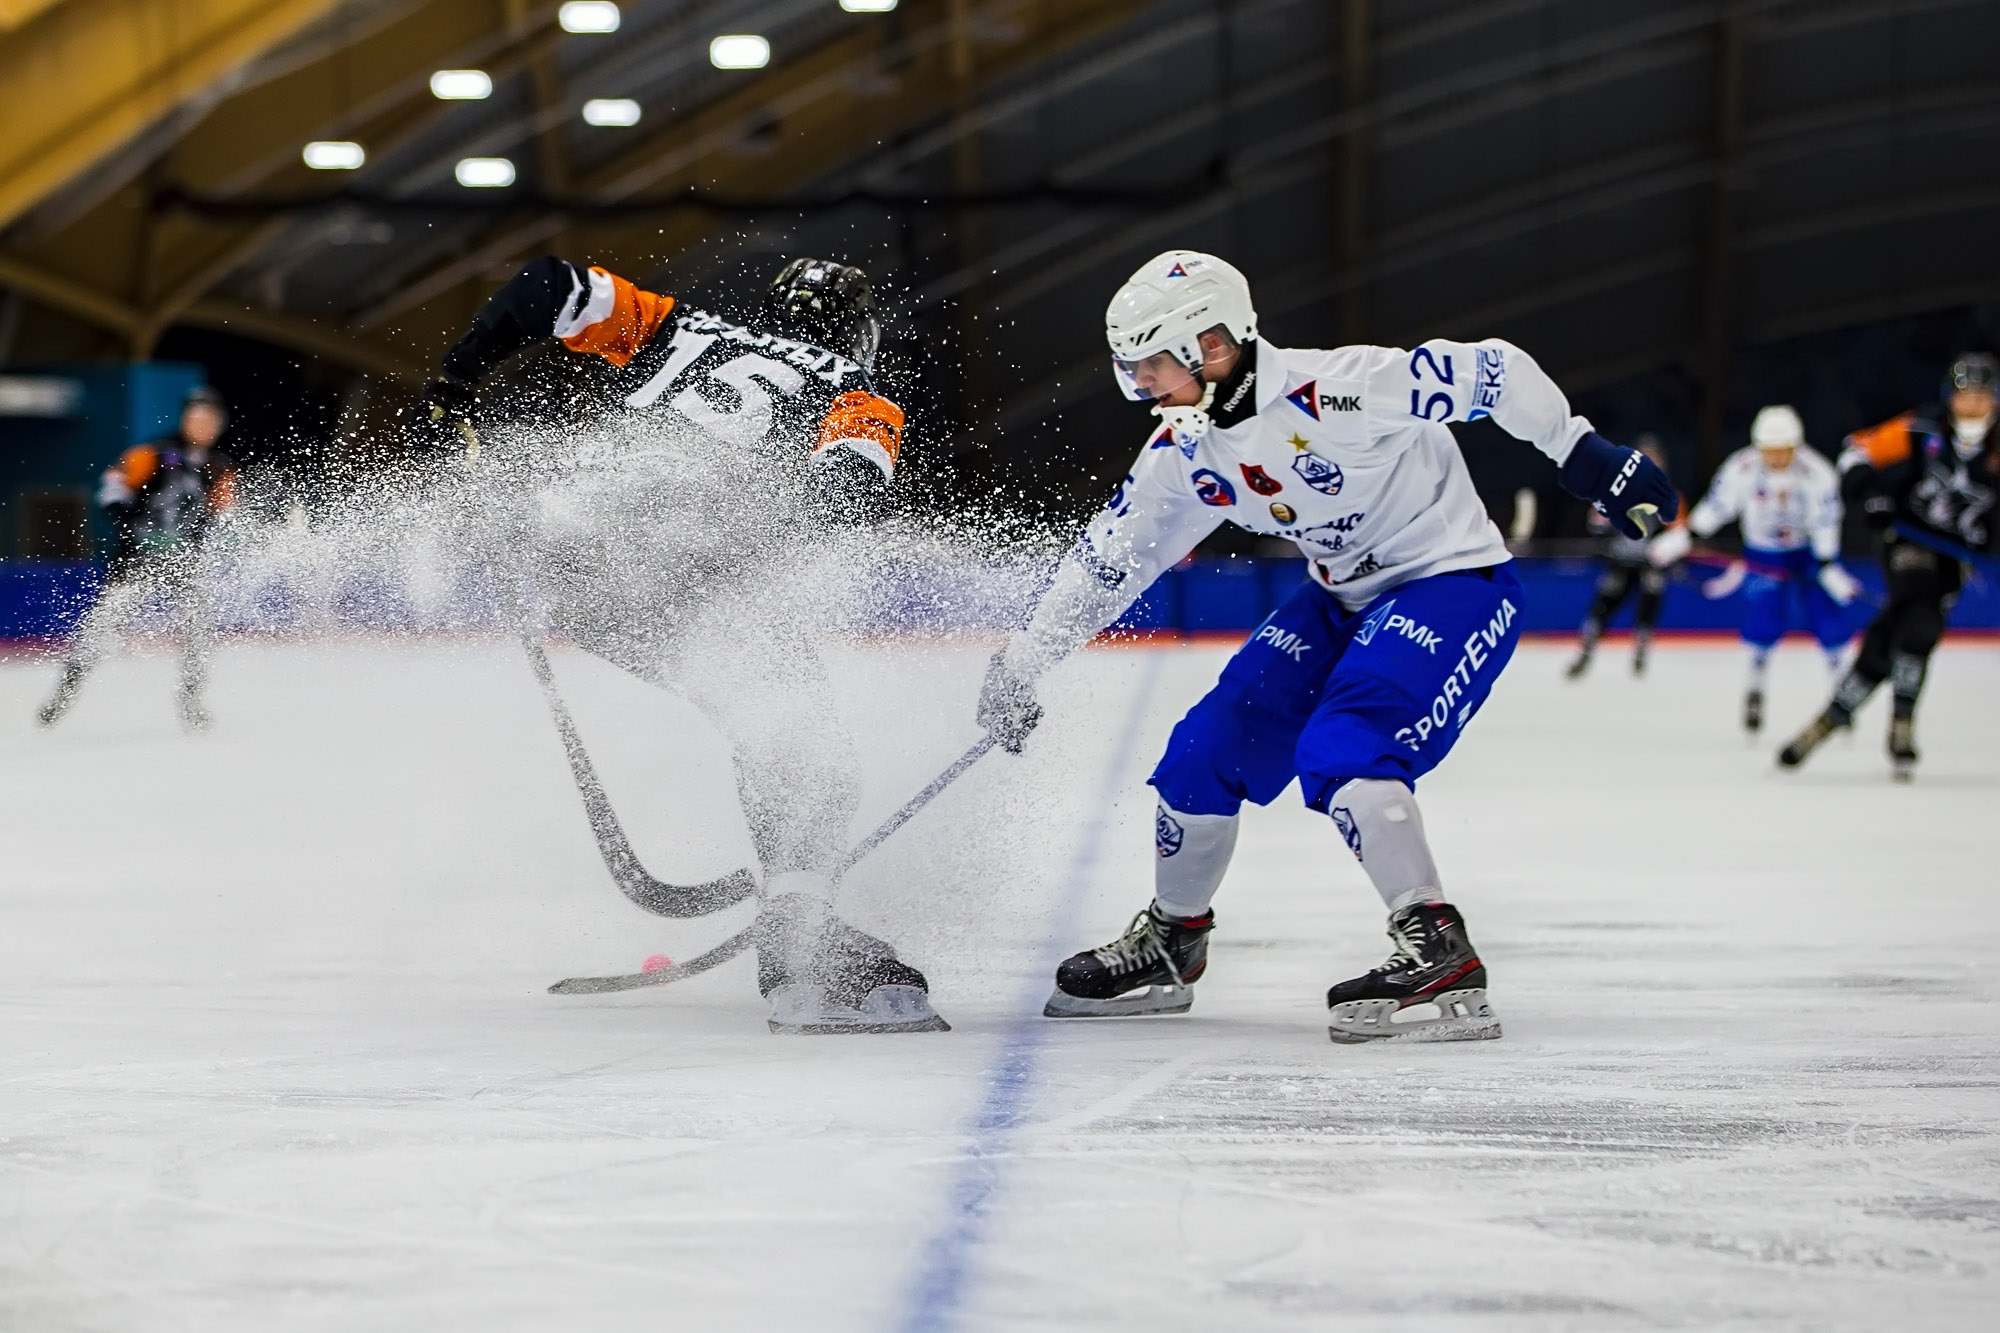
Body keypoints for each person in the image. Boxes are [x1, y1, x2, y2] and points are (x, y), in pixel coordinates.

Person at [973, 250, 1678, 1043]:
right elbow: (1109, 560)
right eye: (1130, 371)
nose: (1143, 390)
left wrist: (1590, 459)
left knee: (1347, 744)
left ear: (1214, 342)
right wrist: (1021, 663)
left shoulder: (1339, 388)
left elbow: (1495, 373)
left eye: (1154, 368)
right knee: (1203, 752)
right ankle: (1175, 939)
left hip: (1453, 582)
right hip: (1341, 597)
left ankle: (1437, 943)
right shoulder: (1185, 452)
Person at [415, 254, 945, 1034]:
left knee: (771, 726)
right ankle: (797, 940)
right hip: (685, 573)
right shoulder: (862, 395)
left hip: (581, 566)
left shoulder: (682, 326)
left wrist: (454, 384)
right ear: (858, 333)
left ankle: (793, 912)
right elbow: (845, 491)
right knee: (808, 749)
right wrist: (755, 533)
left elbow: (544, 283)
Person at [1778, 352, 1999, 780]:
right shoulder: (1923, 427)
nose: (1971, 405)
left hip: (1957, 555)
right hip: (1908, 539)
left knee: (1909, 625)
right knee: (1918, 617)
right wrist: (1871, 492)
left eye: (1980, 396)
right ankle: (1901, 723)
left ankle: (1839, 710)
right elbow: (1857, 450)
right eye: (1963, 396)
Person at [1645, 405, 1858, 733]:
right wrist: (1682, 539)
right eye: (1769, 451)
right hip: (1764, 554)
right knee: (1763, 622)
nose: (1775, 458)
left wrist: (1828, 564)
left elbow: (1827, 520)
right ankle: (1755, 688)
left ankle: (1844, 698)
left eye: (1782, 451)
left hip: (1808, 553)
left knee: (1828, 622)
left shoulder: (1817, 473)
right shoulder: (1742, 468)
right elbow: (1716, 508)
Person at [36, 384, 236, 731]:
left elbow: (227, 516)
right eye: (197, 417)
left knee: (199, 629)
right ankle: (64, 694)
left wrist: (227, 535)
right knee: (100, 628)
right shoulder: (153, 454)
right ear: (186, 419)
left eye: (210, 419)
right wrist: (127, 520)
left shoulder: (220, 467)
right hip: (137, 563)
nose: (204, 425)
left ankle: (191, 701)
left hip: (186, 563)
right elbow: (113, 486)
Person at [1564, 435, 1680, 679]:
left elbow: (1679, 530)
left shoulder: (1666, 492)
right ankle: (1585, 651)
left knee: (1649, 603)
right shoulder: (1616, 486)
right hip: (1621, 561)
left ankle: (1641, 652)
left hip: (1650, 562)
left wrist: (1669, 547)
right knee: (1602, 607)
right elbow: (1595, 523)